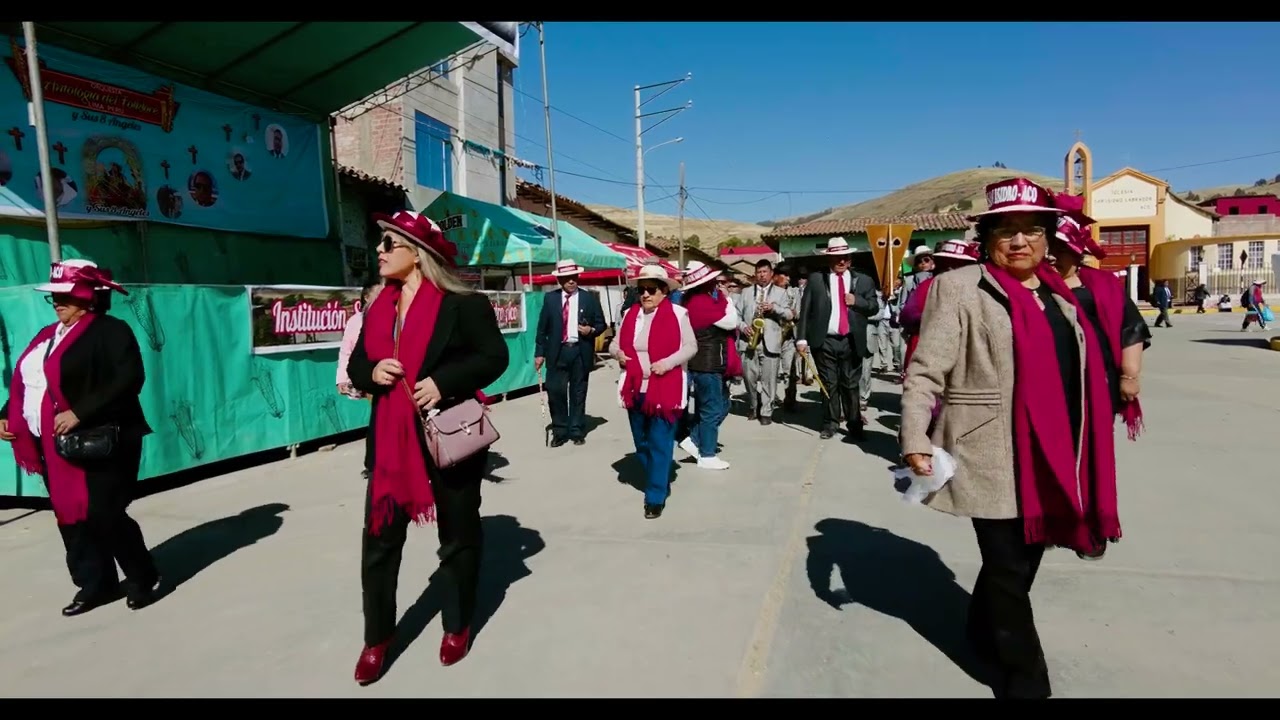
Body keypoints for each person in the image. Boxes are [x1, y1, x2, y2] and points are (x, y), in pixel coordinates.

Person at [900, 178, 1122, 699]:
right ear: (988, 239)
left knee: (1021, 566)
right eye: (1007, 231)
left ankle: (980, 631)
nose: (1019, 241)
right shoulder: (960, 289)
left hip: (1055, 449)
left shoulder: (1060, 296)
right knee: (1005, 565)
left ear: (1048, 238)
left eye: (1031, 230)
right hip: (990, 450)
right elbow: (925, 370)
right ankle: (1027, 681)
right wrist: (914, 435)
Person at [345, 210, 509, 683]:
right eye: (381, 243)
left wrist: (442, 381)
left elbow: (493, 357)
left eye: (388, 244)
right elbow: (359, 364)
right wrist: (372, 373)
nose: (378, 251)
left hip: (448, 440)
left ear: (417, 255)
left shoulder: (462, 304)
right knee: (378, 545)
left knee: (457, 539)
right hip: (390, 444)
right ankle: (377, 637)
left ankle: (457, 625)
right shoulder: (378, 307)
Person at [1, 258, 160, 616]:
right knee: (70, 516)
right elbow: (31, 383)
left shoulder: (111, 331)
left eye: (65, 296)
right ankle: (95, 584)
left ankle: (141, 577)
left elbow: (128, 379)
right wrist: (6, 415)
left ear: (88, 297)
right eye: (53, 297)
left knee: (104, 512)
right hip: (54, 446)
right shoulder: (46, 337)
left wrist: (80, 412)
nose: (57, 302)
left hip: (102, 439)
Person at [1049, 195, 1151, 456]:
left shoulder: (1102, 286)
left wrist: (1129, 376)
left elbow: (1131, 329)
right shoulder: (1032, 285)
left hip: (1097, 381)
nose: (1053, 257)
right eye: (1050, 249)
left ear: (1076, 252)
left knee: (1091, 447)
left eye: (1061, 250)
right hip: (1050, 383)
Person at [610, 264, 697, 518]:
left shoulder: (679, 314)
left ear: (664, 292)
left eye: (651, 290)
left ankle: (655, 495)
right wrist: (619, 354)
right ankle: (658, 473)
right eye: (642, 290)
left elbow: (691, 347)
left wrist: (668, 363)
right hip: (635, 386)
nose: (645, 295)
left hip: (665, 387)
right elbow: (615, 344)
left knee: (660, 441)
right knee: (642, 443)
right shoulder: (630, 314)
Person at [795, 237, 879, 441]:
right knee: (828, 384)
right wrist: (801, 339)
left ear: (850, 259)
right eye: (837, 257)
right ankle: (830, 423)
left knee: (850, 385)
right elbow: (806, 310)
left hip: (851, 339)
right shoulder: (816, 279)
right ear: (829, 259)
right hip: (824, 340)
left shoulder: (864, 280)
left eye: (845, 257)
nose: (841, 261)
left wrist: (857, 301)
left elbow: (874, 307)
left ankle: (854, 425)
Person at [534, 259, 606, 447]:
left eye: (574, 277)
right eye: (566, 278)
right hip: (557, 353)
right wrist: (539, 353)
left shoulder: (588, 298)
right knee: (555, 392)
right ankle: (560, 430)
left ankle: (576, 429)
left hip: (579, 352)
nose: (571, 281)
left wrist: (590, 330)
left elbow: (601, 324)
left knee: (578, 392)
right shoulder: (550, 299)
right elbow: (542, 329)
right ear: (559, 280)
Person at [677, 261, 738, 470]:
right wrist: (728, 299)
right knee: (711, 408)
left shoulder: (694, 301)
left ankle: (694, 440)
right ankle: (707, 453)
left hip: (709, 362)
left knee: (722, 403)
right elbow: (731, 322)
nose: (717, 284)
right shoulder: (700, 303)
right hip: (707, 363)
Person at [734, 259, 794, 425]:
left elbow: (790, 314)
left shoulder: (781, 293)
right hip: (749, 341)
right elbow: (736, 315)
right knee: (749, 377)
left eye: (765, 272)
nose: (761, 275)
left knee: (769, 379)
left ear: (771, 273)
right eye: (759, 272)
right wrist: (743, 326)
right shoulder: (745, 292)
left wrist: (774, 308)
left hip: (770, 342)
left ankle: (766, 411)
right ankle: (754, 404)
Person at [337, 280, 384, 400]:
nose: (384, 297)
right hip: (368, 377)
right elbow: (346, 351)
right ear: (367, 297)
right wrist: (342, 379)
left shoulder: (395, 317)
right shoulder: (355, 321)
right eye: (379, 293)